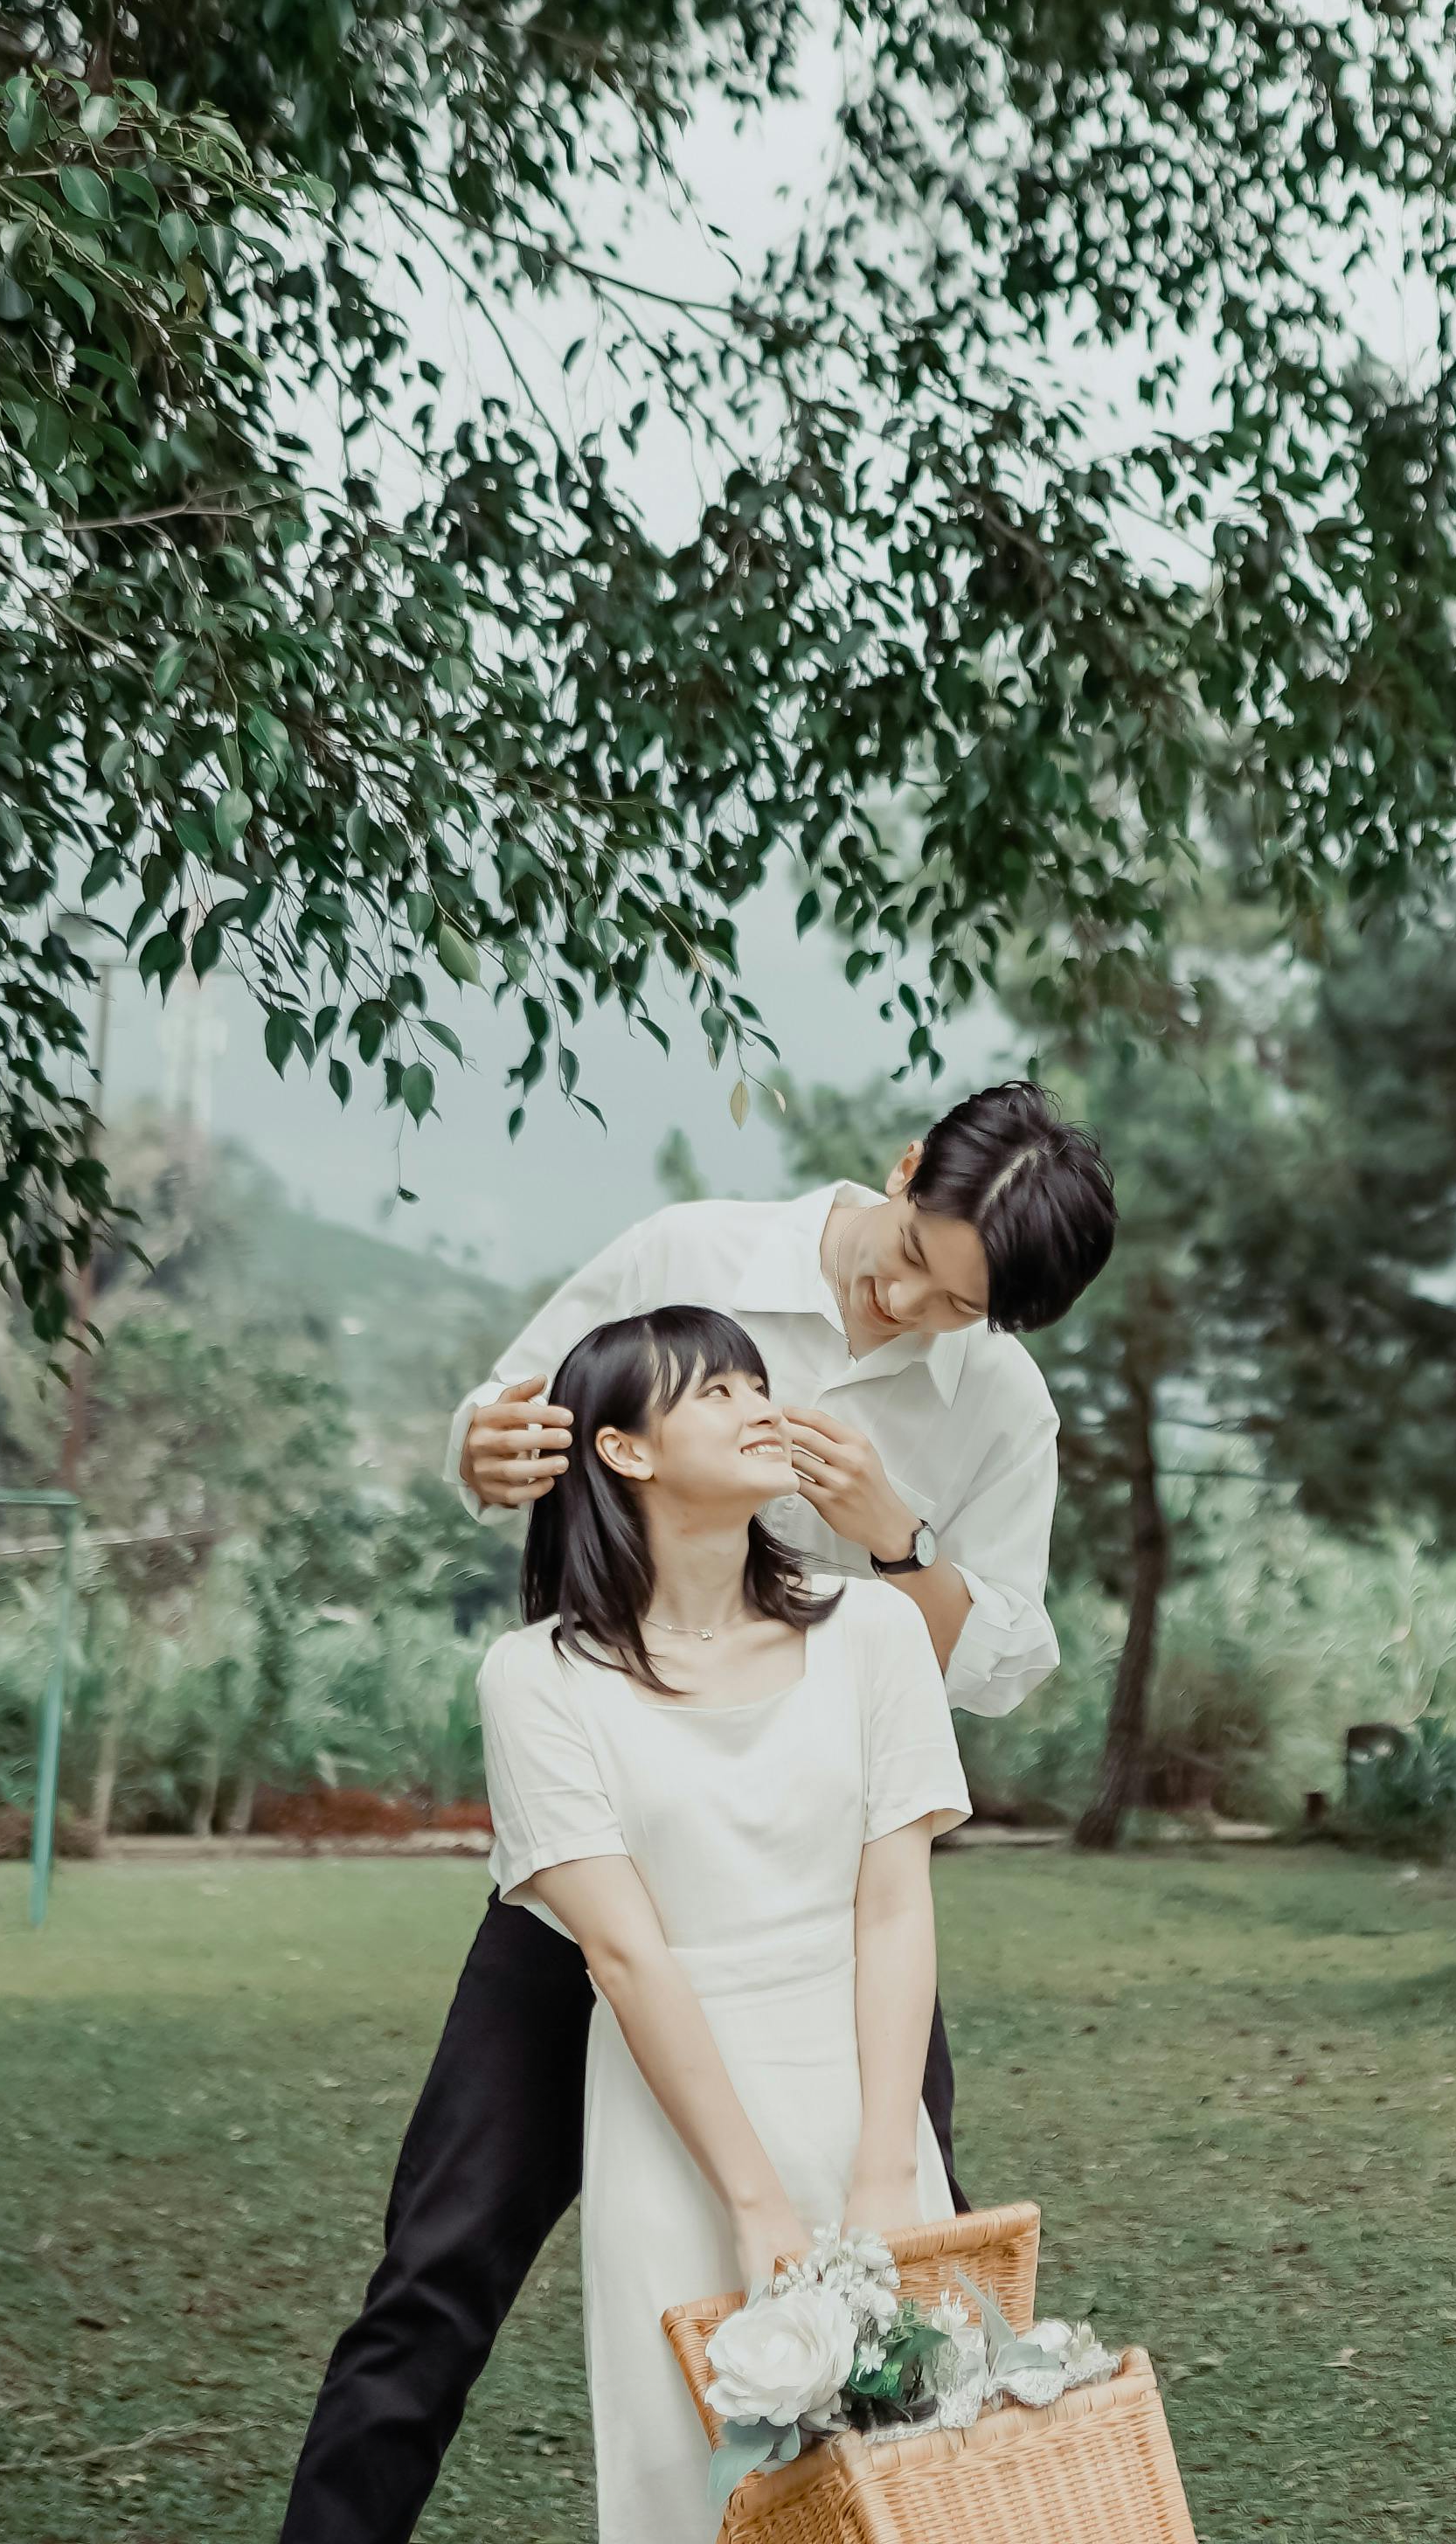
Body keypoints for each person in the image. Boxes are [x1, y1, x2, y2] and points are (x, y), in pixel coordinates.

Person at [275, 1082, 1115, 2544]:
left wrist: (895, 1542)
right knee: (438, 2269)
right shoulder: (693, 1254)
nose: (905, 1301)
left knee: (921, 2298)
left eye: (954, 1306)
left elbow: (1000, 1663)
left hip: (826, 1908)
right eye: (915, 1253)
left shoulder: (994, 1403)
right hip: (608, 1875)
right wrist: (482, 1452)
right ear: (908, 1166)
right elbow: (520, 1421)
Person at [476, 1305, 972, 2543]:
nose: (763, 1406)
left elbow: (895, 1903)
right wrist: (753, 2201)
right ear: (622, 1451)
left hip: (860, 2090)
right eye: (714, 1392)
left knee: (918, 2475)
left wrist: (884, 2172)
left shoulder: (875, 1633)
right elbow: (626, 1955)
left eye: (761, 1381)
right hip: (675, 2122)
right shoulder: (534, 1677)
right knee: (697, 2486)